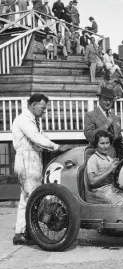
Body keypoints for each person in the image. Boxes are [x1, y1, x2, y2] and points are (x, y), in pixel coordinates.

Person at [12, 94, 72, 245]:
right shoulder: (24, 119)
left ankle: (21, 232)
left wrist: (53, 145)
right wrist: (56, 147)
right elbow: (36, 137)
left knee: (26, 199)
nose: (44, 111)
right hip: (27, 160)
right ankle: (31, 232)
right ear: (33, 105)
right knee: (33, 197)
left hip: (32, 158)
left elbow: (41, 136)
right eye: (42, 108)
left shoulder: (34, 120)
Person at [86, 131, 123, 205]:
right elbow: (92, 182)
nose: (105, 146)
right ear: (96, 145)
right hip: (100, 192)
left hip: (111, 189)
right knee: (120, 201)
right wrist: (109, 169)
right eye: (102, 143)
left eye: (107, 143)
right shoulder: (93, 160)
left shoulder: (109, 159)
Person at [84, 87, 123, 158]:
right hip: (97, 158)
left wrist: (121, 140)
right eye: (105, 100)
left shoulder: (116, 118)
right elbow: (89, 136)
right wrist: (105, 126)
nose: (108, 102)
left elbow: (118, 135)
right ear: (99, 100)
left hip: (115, 157)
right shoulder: (90, 115)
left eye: (110, 100)